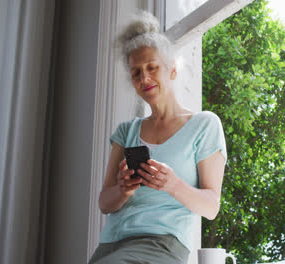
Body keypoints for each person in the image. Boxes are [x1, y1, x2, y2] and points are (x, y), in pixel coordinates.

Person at [88, 11, 227, 264]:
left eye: (152, 67)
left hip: (161, 245)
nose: (145, 78)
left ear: (172, 69)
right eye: (136, 72)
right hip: (111, 245)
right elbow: (105, 203)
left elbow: (211, 207)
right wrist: (123, 190)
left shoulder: (204, 125)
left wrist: (172, 184)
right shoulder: (126, 132)